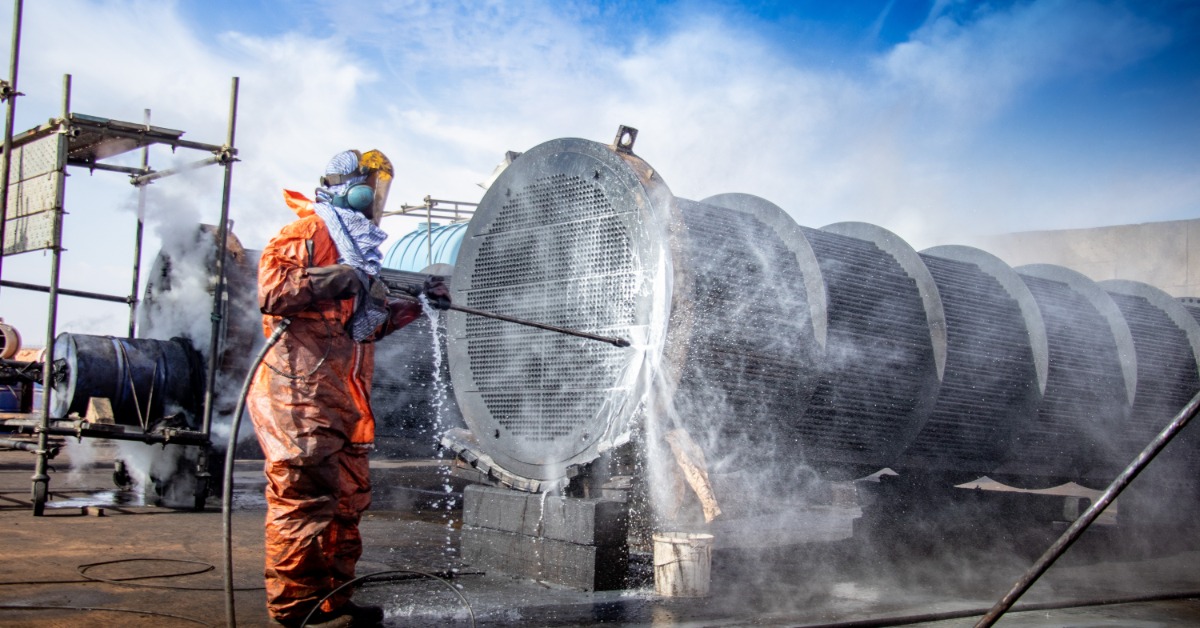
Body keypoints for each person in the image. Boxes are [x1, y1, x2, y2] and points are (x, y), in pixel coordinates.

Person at [247, 149, 450, 627]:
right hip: (299, 396)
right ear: (351, 186)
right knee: (303, 503)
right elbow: (273, 291)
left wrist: (419, 303)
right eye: (373, 187)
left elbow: (364, 328)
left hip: (343, 401)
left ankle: (333, 601)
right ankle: (298, 610)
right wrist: (345, 276)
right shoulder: (308, 232)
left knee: (346, 503)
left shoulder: (358, 248)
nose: (377, 199)